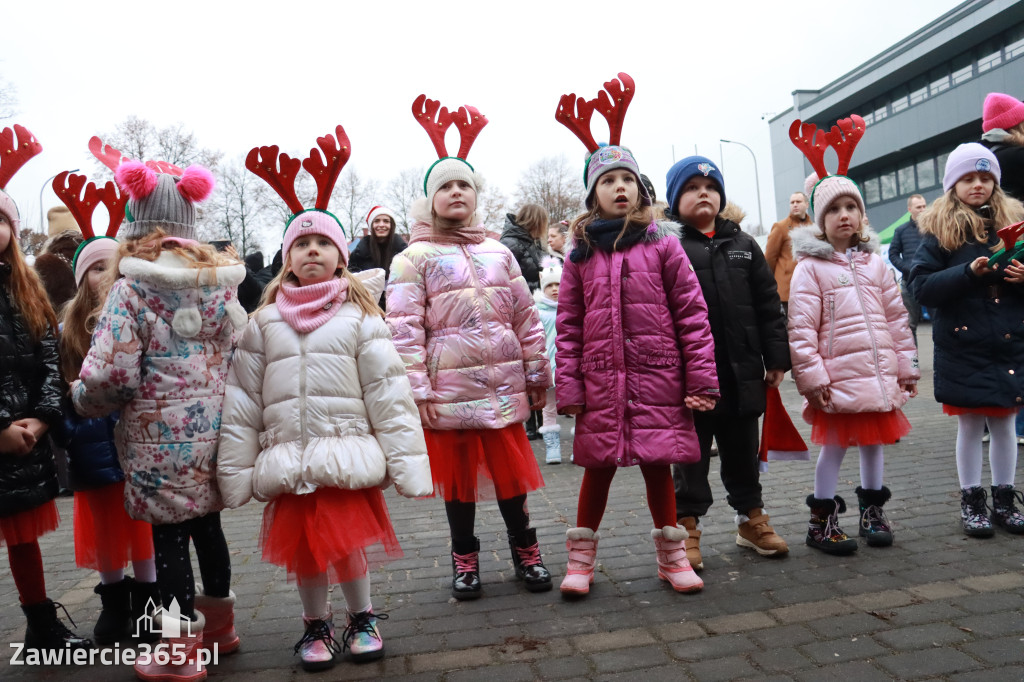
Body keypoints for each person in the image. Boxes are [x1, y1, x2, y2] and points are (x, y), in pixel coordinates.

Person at [220, 132, 431, 670]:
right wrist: (235, 473)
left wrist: (407, 464)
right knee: (306, 553)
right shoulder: (263, 324)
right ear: (287, 259)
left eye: (323, 244)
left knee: (347, 545)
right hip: (288, 457)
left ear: (341, 256)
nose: (312, 251)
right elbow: (243, 400)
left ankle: (362, 617)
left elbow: (390, 394)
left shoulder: (361, 318)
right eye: (301, 244)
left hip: (344, 455)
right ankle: (315, 625)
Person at [73, 161, 247, 680]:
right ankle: (220, 631)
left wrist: (82, 398)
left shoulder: (132, 290)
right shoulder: (219, 285)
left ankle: (178, 652)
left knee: (169, 540)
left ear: (136, 225)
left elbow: (111, 375)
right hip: (213, 436)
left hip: (157, 445)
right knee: (209, 529)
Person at [553, 73, 717, 596]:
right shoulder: (579, 256)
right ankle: (581, 561)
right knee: (596, 469)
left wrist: (701, 380)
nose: (619, 188)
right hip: (601, 384)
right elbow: (569, 325)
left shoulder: (663, 247)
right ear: (593, 194)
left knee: (656, 465)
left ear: (640, 188)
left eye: (628, 179)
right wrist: (571, 387)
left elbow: (692, 315)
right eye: (608, 181)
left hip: (659, 379)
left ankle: (673, 558)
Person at [388, 95, 552, 601]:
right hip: (450, 392)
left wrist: (537, 373)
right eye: (446, 186)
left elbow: (525, 316)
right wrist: (417, 390)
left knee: (512, 481)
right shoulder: (414, 257)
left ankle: (526, 550)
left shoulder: (499, 252)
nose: (456, 192)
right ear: (430, 200)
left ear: (476, 196)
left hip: (503, 389)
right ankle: (464, 558)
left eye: (464, 184)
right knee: (459, 486)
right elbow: (404, 331)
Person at [788, 115, 918, 555]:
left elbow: (898, 320)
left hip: (878, 375)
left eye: (851, 208)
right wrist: (813, 379)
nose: (844, 216)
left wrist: (907, 367)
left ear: (861, 215)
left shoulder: (876, 265)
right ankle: (821, 520)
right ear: (819, 221)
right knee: (835, 449)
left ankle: (871, 511)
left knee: (875, 443)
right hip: (837, 379)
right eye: (834, 210)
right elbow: (801, 329)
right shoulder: (810, 269)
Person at [668, 157, 791, 569]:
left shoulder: (744, 244)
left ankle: (750, 518)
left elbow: (768, 305)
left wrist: (776, 357)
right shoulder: (667, 246)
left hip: (742, 372)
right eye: (691, 187)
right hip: (689, 379)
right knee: (691, 456)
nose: (703, 192)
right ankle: (685, 526)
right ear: (673, 200)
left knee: (742, 450)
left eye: (710, 185)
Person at [0, 125, 93, 655]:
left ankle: (40, 622)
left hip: (23, 438)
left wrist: (38, 419)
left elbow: (48, 363)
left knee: (23, 538)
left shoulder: (27, 289)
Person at [55, 175, 159, 645]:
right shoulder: (68, 332)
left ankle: (151, 605)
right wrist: (73, 429)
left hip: (137, 446)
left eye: (109, 268)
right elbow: (62, 390)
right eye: (93, 270)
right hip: (91, 448)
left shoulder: (134, 311)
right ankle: (113, 604)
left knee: (143, 530)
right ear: (81, 280)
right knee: (105, 534)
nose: (102, 277)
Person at [910, 142, 1024, 537]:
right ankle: (972, 500)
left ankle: (1005, 500)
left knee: (1006, 424)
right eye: (969, 178)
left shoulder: (1013, 223)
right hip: (964, 343)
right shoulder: (940, 231)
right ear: (953, 184)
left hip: (1008, 341)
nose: (978, 185)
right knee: (972, 426)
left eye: (986, 177)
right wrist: (968, 274)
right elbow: (921, 287)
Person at [347, 205, 408, 310]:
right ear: (371, 225)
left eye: (386, 221)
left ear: (391, 225)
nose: (381, 225)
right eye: (377, 221)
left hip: (397, 305)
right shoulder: (361, 250)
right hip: (367, 305)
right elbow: (351, 277)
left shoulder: (403, 250)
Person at [888, 194, 929, 346]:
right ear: (910, 209)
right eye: (919, 207)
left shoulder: (934, 229)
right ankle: (913, 365)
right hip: (910, 283)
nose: (923, 209)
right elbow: (893, 254)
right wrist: (908, 268)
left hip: (932, 282)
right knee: (910, 326)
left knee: (939, 323)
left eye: (924, 206)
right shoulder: (900, 231)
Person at [766, 191, 814, 314]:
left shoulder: (814, 228)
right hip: (787, 291)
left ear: (807, 204)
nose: (795, 205)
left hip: (810, 288)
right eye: (792, 202)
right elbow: (769, 258)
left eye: (798, 202)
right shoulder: (780, 227)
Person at [535, 261, 562, 464]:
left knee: (577, 405)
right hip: (549, 367)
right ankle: (552, 446)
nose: (554, 290)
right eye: (550, 286)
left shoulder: (571, 308)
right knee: (549, 407)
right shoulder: (538, 312)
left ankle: (580, 444)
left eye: (558, 285)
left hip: (569, 367)